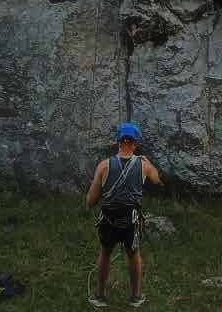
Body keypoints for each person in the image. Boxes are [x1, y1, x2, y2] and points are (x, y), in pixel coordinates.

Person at [85, 122, 161, 308]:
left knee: (105, 253)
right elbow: (157, 180)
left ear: (119, 141)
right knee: (133, 254)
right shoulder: (143, 165)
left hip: (109, 217)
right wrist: (149, 164)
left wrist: (89, 206)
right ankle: (135, 297)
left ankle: (100, 296)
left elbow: (91, 199)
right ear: (135, 143)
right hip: (131, 219)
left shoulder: (104, 165)